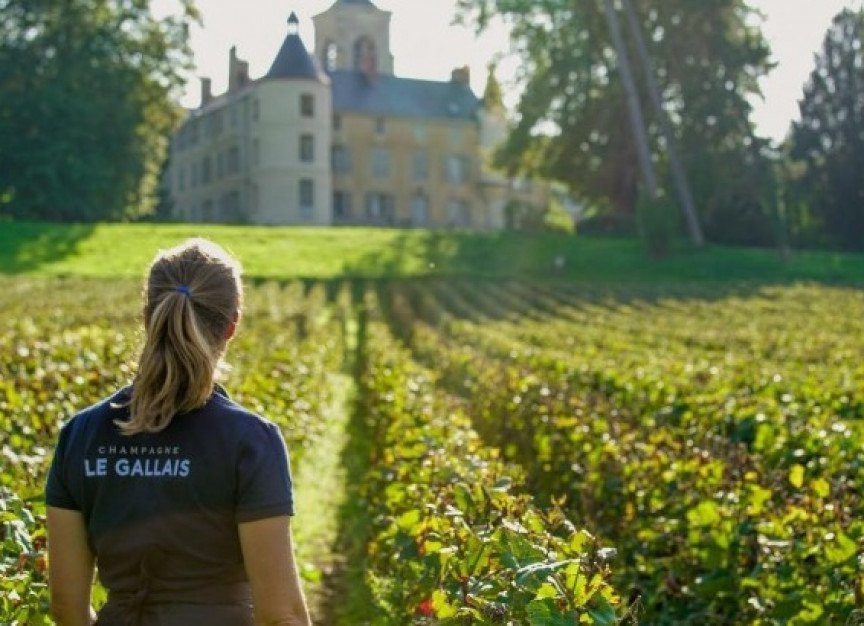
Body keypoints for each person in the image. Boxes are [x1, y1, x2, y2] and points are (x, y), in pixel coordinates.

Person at [44, 238, 312, 626]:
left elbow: (66, 606)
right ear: (232, 325)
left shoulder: (80, 435)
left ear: (146, 315)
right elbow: (281, 615)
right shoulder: (251, 441)